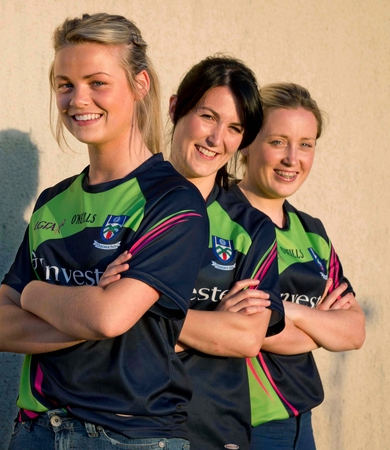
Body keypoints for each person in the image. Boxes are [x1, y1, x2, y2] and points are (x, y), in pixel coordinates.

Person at [0, 13, 209, 449]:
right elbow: (1, 328)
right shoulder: (52, 201)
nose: (78, 99)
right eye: (65, 84)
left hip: (128, 435)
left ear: (140, 84)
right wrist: (86, 307)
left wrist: (34, 295)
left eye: (97, 82)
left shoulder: (173, 201)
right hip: (35, 429)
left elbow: (109, 317)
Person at [102, 56, 286, 450]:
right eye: (207, 116)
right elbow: (96, 325)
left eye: (234, 128)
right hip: (124, 429)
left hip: (216, 429)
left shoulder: (251, 229)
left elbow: (246, 338)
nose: (216, 139)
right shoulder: (123, 202)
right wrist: (210, 323)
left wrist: (136, 315)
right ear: (174, 108)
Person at [232, 83, 366, 449]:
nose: (293, 158)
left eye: (306, 144)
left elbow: (353, 331)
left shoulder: (311, 232)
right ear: (246, 144)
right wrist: (320, 323)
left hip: (299, 426)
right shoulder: (215, 217)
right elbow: (244, 331)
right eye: (278, 141)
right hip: (236, 426)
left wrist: (287, 311)